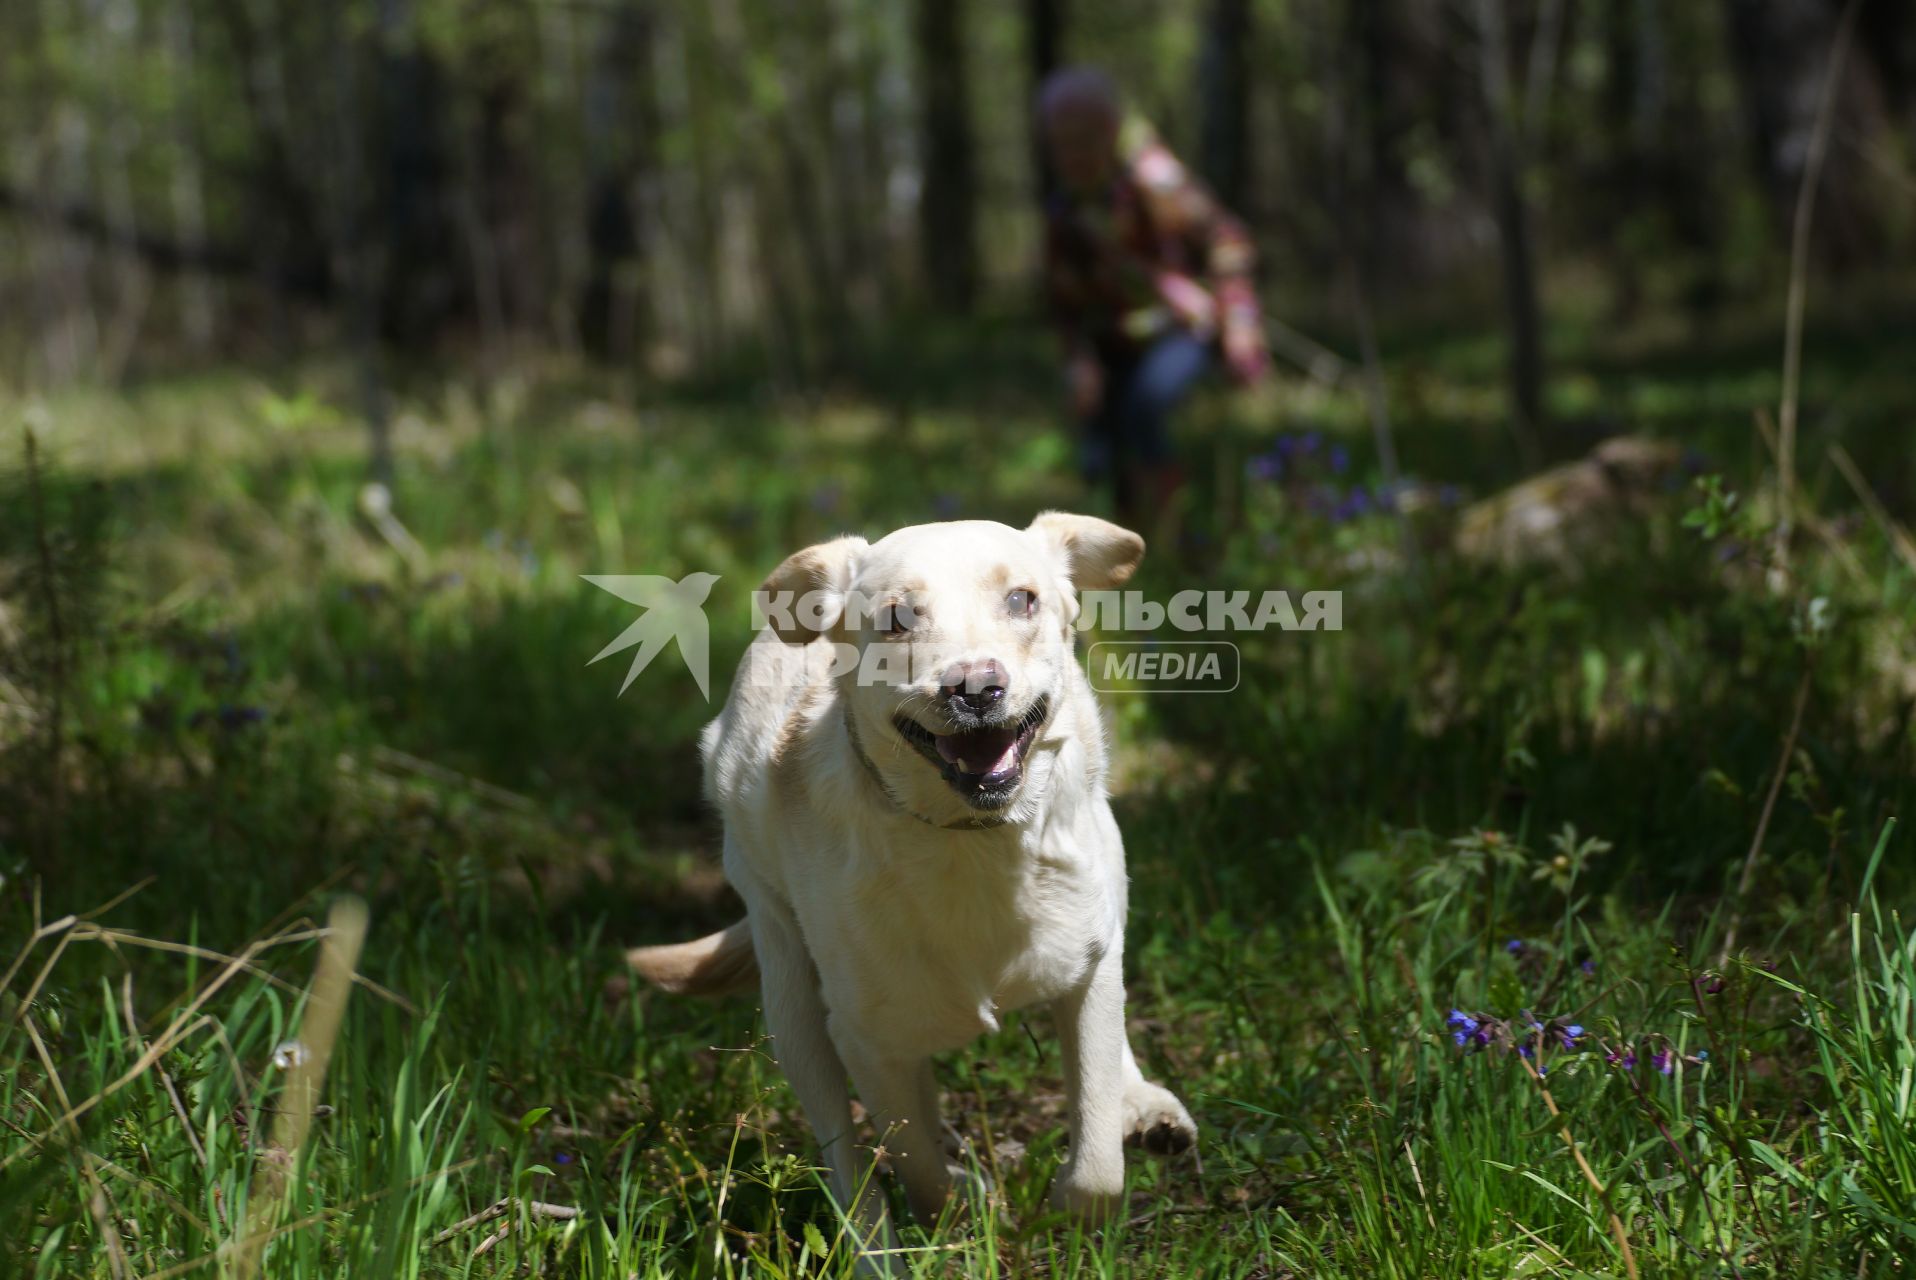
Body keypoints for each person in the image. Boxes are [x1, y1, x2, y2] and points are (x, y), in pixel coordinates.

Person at [1039, 66, 1269, 534]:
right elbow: (1063, 303)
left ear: (1109, 130)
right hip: (1113, 342)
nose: (1072, 154)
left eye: (1082, 139)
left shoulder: (1157, 181)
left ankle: (1178, 538)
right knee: (1097, 450)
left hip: (1184, 330)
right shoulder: (1066, 210)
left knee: (1146, 405)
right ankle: (1122, 555)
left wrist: (1241, 322)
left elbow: (1228, 241)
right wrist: (1077, 361)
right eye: (1060, 143)